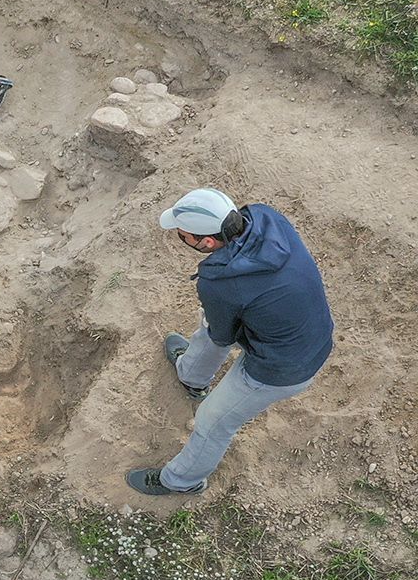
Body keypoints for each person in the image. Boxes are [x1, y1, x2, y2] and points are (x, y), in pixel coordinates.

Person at [127, 188, 334, 496]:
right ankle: (192, 376)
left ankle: (181, 481)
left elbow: (223, 337)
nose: (180, 238)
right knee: (214, 319)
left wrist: (224, 317)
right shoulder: (266, 217)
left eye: (183, 236)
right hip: (311, 331)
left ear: (207, 242)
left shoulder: (222, 282)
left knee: (213, 420)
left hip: (283, 369)